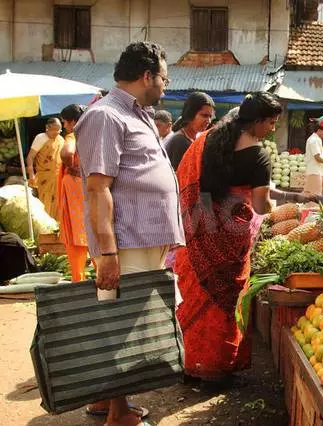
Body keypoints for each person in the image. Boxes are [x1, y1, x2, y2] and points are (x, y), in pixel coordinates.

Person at [75, 41, 182, 426]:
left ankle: (107, 402)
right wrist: (108, 253)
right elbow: (97, 188)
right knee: (124, 324)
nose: (166, 87)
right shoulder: (105, 116)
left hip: (143, 238)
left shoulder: (139, 114)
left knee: (124, 319)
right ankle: (118, 415)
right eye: (164, 78)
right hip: (126, 241)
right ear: (147, 75)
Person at [173, 92, 309, 385]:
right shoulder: (259, 156)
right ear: (258, 121)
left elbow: (188, 183)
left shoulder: (207, 141)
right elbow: (261, 207)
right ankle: (217, 367)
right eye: (271, 122)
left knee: (196, 298)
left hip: (199, 230)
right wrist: (277, 206)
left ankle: (189, 362)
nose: (272, 128)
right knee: (225, 302)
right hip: (231, 237)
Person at [57, 104, 89, 282]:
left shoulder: (73, 135)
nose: (64, 126)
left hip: (74, 187)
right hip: (89, 184)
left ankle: (79, 279)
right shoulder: (91, 134)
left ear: (72, 122)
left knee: (75, 231)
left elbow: (67, 151)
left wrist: (71, 166)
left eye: (64, 122)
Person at [164, 92, 215, 170]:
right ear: (190, 114)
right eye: (204, 115)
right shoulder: (180, 141)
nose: (208, 121)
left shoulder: (196, 138)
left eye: (210, 116)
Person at [27, 118, 64, 219]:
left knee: (59, 202)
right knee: (45, 202)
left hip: (58, 176)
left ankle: (58, 227)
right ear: (47, 128)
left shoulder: (60, 139)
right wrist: (31, 174)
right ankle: (47, 228)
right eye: (54, 130)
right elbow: (30, 157)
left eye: (59, 130)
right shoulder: (40, 138)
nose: (56, 133)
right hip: (44, 177)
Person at [303, 122, 323, 195]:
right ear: (319, 130)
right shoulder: (314, 140)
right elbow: (317, 157)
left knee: (313, 196)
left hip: (316, 171)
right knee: (314, 196)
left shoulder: (315, 139)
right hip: (315, 172)